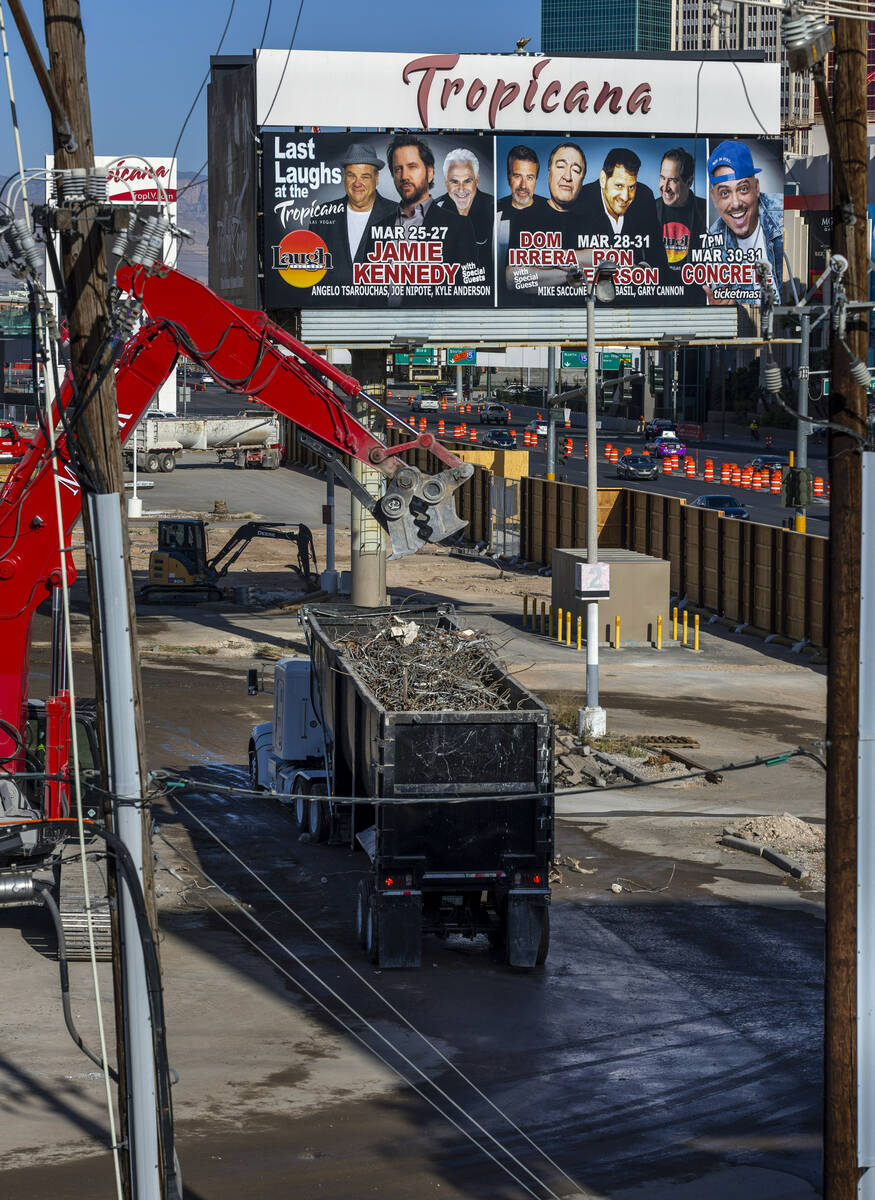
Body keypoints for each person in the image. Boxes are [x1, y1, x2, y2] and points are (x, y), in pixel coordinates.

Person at [307, 142, 397, 286]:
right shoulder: (322, 214)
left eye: (365, 177)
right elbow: (310, 271)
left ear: (377, 178)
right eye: (352, 175)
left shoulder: (399, 215)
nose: (357, 183)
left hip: (380, 306)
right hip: (331, 305)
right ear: (344, 177)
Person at [707, 140, 783, 302]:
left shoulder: (781, 214)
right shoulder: (714, 240)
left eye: (742, 189)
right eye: (725, 193)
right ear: (714, 198)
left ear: (756, 188)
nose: (735, 203)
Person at [385, 135, 478, 268]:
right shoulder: (378, 228)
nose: (404, 176)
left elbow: (469, 287)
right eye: (398, 169)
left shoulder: (459, 227)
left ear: (430, 173)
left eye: (412, 166)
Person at [576, 148, 667, 269]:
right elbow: (568, 257)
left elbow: (657, 254)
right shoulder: (581, 199)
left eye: (631, 187)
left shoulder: (644, 196)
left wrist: (641, 269)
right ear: (603, 179)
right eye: (619, 186)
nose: (625, 197)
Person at [435, 147, 493, 274]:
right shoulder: (434, 211)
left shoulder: (494, 209)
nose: (461, 189)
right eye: (454, 181)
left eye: (467, 181)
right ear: (445, 182)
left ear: (476, 181)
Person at [655, 147, 706, 271]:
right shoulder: (648, 210)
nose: (665, 187)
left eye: (673, 180)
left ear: (689, 182)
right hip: (658, 288)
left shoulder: (707, 212)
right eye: (662, 178)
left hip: (695, 288)